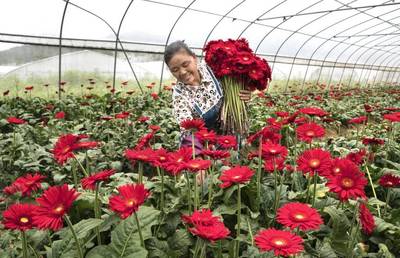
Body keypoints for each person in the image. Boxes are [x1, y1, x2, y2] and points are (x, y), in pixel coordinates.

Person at [164, 40, 251, 151]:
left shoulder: (212, 69)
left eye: (185, 64)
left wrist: (244, 92)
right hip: (206, 145)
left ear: (194, 58)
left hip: (233, 132)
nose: (182, 72)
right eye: (175, 70)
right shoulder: (180, 96)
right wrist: (198, 158)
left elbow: (233, 85)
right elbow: (187, 130)